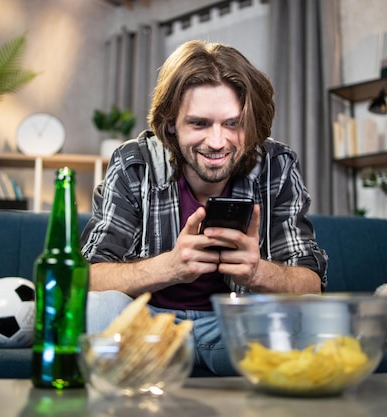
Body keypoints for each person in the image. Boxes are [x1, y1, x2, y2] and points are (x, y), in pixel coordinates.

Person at [81, 40, 328, 376]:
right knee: (98, 307)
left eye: (233, 123)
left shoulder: (276, 164)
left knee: (309, 315)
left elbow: (311, 283)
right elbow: (87, 277)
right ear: (171, 123)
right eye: (199, 123)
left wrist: (257, 273)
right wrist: (170, 266)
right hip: (151, 329)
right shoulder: (134, 163)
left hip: (236, 327)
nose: (217, 142)